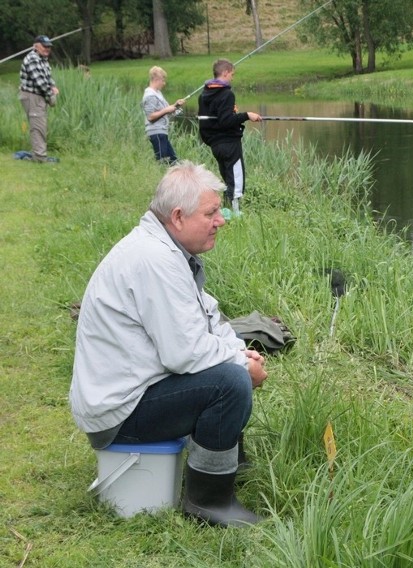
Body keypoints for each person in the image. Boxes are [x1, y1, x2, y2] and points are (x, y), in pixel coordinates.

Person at [69, 162, 269, 527]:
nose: (221, 220)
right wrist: (243, 365)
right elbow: (185, 354)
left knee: (228, 369)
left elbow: (209, 318)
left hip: (129, 394)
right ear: (178, 217)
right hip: (118, 415)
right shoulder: (154, 260)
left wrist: (240, 351)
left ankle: (227, 466)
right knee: (229, 383)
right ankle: (209, 501)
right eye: (211, 213)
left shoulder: (167, 251)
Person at [198, 59, 262, 217]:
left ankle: (226, 211)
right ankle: (235, 215)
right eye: (232, 74)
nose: (232, 78)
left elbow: (211, 120)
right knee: (236, 180)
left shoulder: (204, 94)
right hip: (229, 143)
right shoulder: (226, 94)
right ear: (225, 73)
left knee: (228, 179)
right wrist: (247, 115)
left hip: (215, 144)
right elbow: (226, 121)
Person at [18, 35, 60, 163]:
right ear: (36, 46)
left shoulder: (43, 59)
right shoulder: (33, 59)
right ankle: (40, 158)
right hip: (32, 96)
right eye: (44, 46)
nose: (47, 49)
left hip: (39, 96)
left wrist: (52, 85)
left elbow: (47, 77)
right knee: (38, 127)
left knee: (40, 125)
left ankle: (39, 155)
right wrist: (51, 95)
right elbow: (40, 82)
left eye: (49, 46)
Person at [142, 66, 185, 164]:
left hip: (162, 131)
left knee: (173, 161)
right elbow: (151, 117)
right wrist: (166, 110)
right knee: (163, 161)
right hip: (156, 132)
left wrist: (176, 105)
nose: (164, 83)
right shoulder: (150, 95)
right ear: (156, 79)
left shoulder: (158, 93)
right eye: (163, 80)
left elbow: (165, 110)